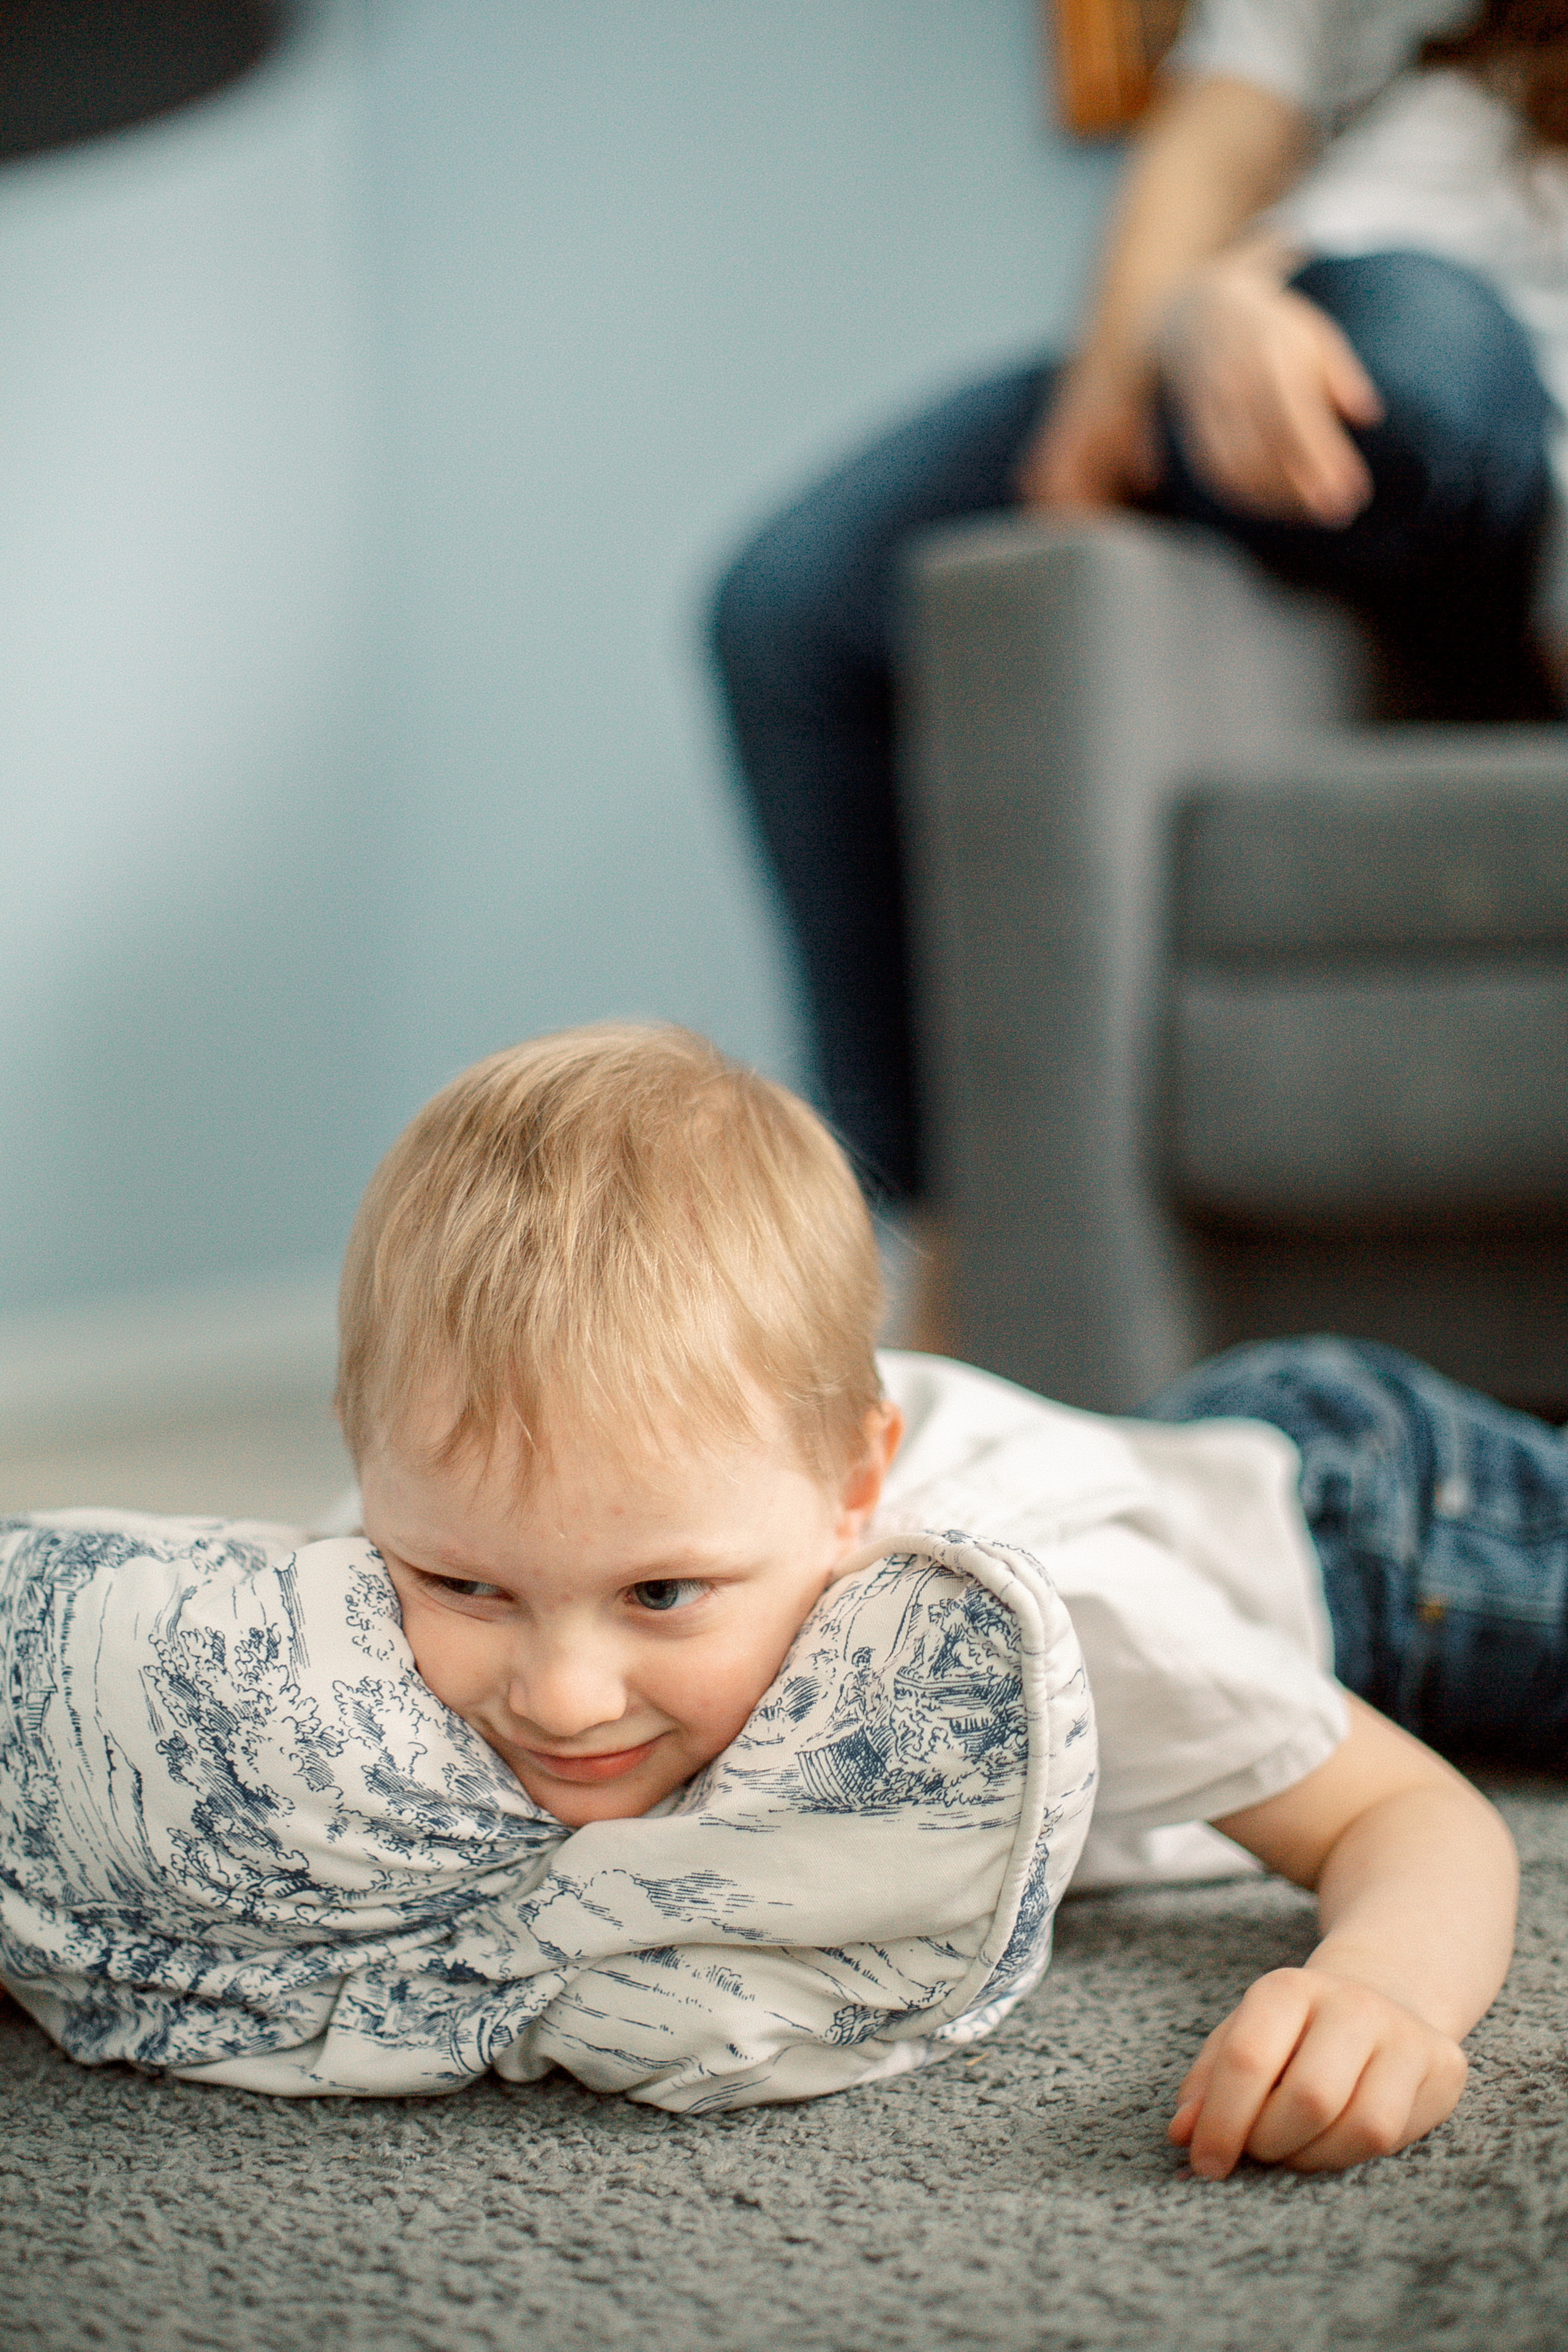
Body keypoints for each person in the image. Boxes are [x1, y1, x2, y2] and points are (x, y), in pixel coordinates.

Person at [0, 1025, 1546, 2160]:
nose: (558, 1694)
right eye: (465, 1581)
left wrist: (1378, 1996)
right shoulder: (391, 1550)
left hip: (1383, 1542)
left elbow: (1404, 1819)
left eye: (661, 1593)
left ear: (852, 1492)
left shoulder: (1050, 1612)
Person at [709, 0, 1568, 1276]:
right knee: (789, 608)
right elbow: (1217, 129)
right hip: (1251, 314)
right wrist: (1160, 340)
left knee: (1390, 344)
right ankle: (930, 1251)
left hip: (1468, 382)